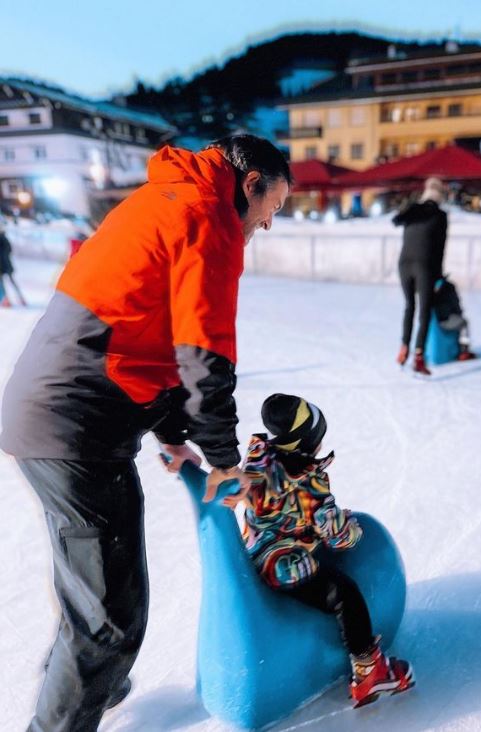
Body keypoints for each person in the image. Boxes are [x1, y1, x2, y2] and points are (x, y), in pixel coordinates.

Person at [0, 134, 291, 732]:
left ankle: (91, 682)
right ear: (251, 182)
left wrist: (173, 432)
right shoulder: (207, 218)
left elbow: (145, 337)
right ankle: (68, 711)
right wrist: (224, 459)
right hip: (72, 426)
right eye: (274, 207)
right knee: (109, 618)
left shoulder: (166, 197)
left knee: (97, 594)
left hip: (61, 415)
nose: (267, 224)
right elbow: (204, 357)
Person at [242, 393, 414, 708]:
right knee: (344, 594)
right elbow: (338, 537)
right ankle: (369, 669)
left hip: (255, 550)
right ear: (307, 444)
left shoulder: (258, 456)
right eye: (318, 437)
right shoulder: (309, 484)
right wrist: (352, 528)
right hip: (284, 563)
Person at [392, 177, 447, 375]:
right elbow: (440, 248)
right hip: (425, 266)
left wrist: (409, 206)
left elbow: (396, 221)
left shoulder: (413, 210)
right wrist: (439, 278)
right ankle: (418, 357)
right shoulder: (440, 215)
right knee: (424, 311)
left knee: (409, 307)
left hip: (404, 264)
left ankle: (403, 348)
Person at [0, 222, 26, 306]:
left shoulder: (2, 239)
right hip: (6, 264)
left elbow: (7, 251)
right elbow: (9, 250)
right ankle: (17, 298)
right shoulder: (5, 238)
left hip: (3, 264)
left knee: (4, 283)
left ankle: (7, 300)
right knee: (9, 282)